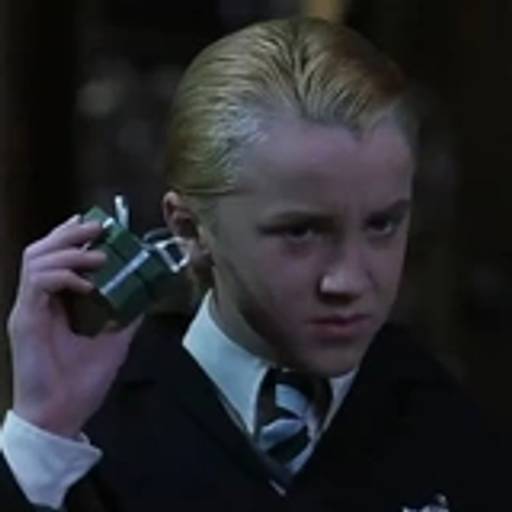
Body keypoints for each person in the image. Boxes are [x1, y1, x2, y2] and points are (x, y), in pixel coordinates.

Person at [0, 17, 507, 511]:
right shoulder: (94, 426)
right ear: (189, 229)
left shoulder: (446, 417)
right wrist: (41, 438)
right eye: (300, 232)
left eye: (382, 225)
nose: (349, 280)